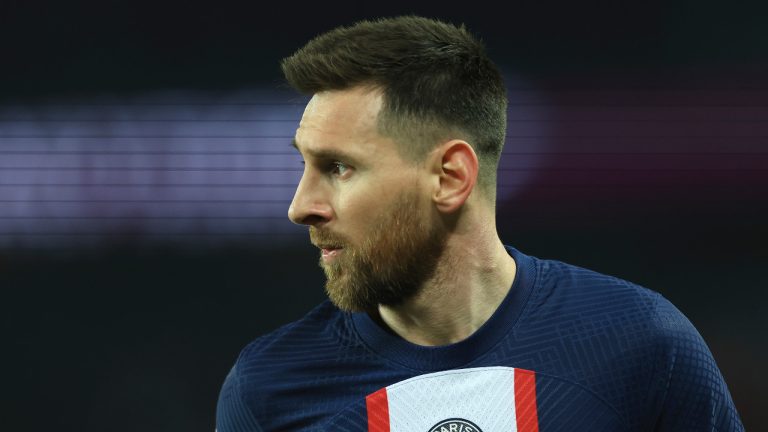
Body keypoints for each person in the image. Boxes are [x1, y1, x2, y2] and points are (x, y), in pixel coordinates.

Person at [216, 16, 743, 432]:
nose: (300, 204)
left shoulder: (641, 344)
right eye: (304, 165)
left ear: (450, 177)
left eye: (338, 168)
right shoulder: (269, 389)